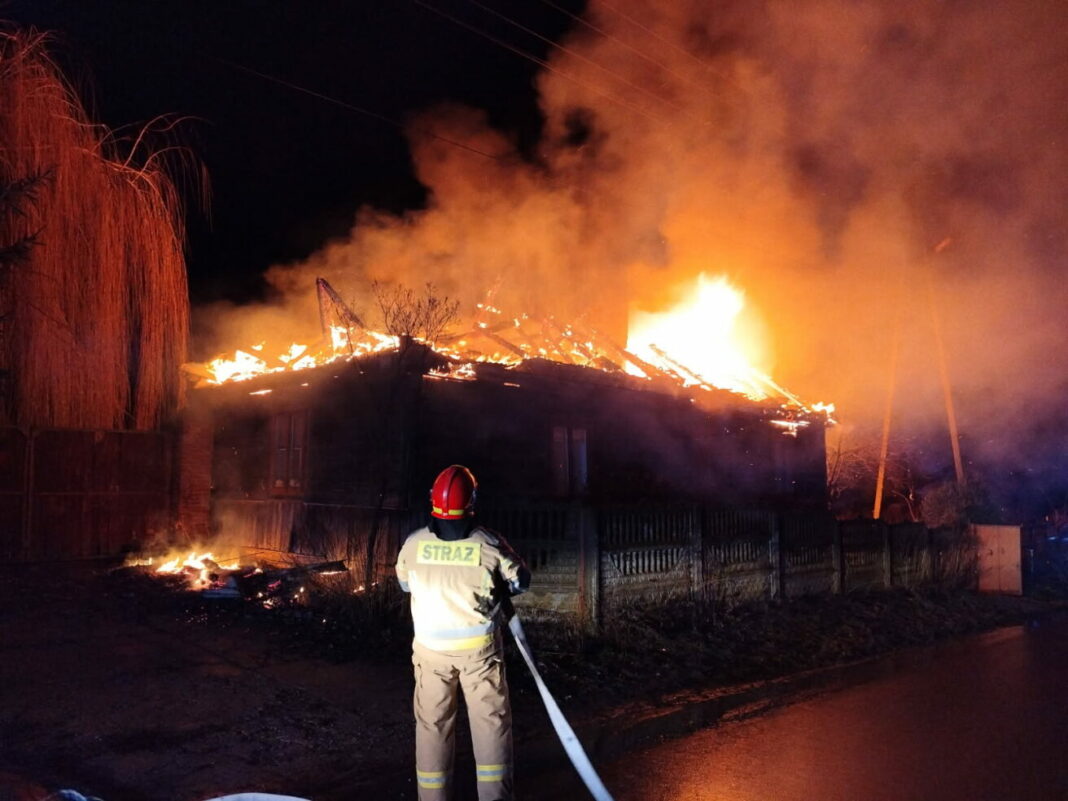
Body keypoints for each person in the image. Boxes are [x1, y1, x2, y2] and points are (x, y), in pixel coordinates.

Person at [395, 465, 531, 801]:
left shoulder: (413, 544)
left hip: (430, 653)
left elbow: (404, 583)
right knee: (490, 727)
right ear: (472, 501)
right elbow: (520, 581)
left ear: (432, 501)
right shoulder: (489, 544)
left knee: (432, 728)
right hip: (479, 655)